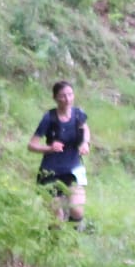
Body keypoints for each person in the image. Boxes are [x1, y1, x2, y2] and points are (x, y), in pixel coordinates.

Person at [29, 81, 90, 226]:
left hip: (74, 169)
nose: (67, 99)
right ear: (55, 98)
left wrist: (85, 142)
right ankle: (58, 243)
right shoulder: (49, 118)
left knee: (77, 211)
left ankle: (74, 235)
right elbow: (31, 145)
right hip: (50, 172)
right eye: (63, 96)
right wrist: (50, 148)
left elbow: (85, 129)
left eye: (70, 95)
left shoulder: (78, 115)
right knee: (56, 218)